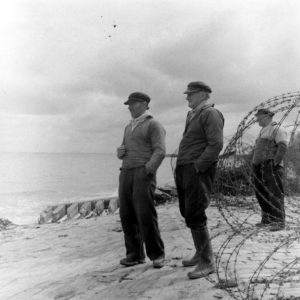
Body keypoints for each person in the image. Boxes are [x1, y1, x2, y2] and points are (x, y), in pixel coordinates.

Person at [175, 81, 224, 280]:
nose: (187, 97)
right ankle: (199, 253)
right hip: (185, 168)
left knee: (195, 212)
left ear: (203, 95)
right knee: (187, 211)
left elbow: (216, 144)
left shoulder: (210, 114)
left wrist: (198, 166)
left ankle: (207, 261)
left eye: (191, 94)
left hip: (197, 170)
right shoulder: (193, 114)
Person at [117, 92, 166, 268]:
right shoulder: (128, 127)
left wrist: (148, 170)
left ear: (145, 104)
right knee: (126, 215)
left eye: (133, 104)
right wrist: (120, 152)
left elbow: (160, 151)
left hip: (142, 173)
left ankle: (157, 254)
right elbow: (124, 148)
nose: (129, 107)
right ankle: (135, 254)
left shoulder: (153, 124)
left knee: (145, 215)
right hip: (126, 172)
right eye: (128, 104)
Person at [252, 108, 288, 231]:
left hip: (271, 166)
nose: (257, 120)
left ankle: (278, 222)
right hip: (259, 166)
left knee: (275, 194)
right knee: (261, 193)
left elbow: (282, 147)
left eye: (259, 117)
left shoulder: (277, 128)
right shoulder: (263, 130)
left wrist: (275, 163)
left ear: (267, 116)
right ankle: (267, 219)